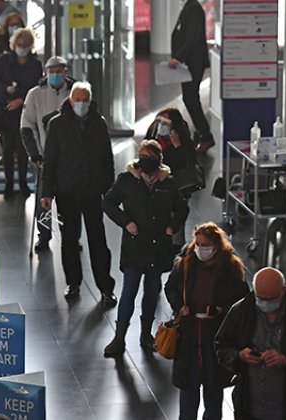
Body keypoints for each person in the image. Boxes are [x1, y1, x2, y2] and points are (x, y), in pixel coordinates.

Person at [102, 140, 189, 357]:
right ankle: (119, 337)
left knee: (152, 291)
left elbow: (182, 208)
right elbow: (108, 203)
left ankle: (146, 335)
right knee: (129, 290)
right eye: (141, 156)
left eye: (149, 158)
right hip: (135, 246)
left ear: (159, 160)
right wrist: (125, 222)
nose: (144, 161)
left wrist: (172, 227)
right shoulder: (127, 180)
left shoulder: (167, 183)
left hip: (158, 247)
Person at [215, 267, 286, 420]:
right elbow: (222, 346)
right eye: (260, 298)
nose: (265, 304)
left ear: (283, 290)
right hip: (250, 406)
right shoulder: (241, 312)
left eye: (270, 299)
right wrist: (239, 356)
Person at [40, 82, 117, 307]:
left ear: (90, 101)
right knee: (69, 240)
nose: (81, 104)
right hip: (67, 193)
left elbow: (107, 158)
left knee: (98, 241)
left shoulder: (98, 123)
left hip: (93, 192)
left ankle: (106, 287)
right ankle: (73, 282)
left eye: (85, 100)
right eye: (77, 100)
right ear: (70, 100)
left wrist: (108, 187)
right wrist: (47, 192)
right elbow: (50, 161)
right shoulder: (57, 124)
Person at [164, 222, 249, 420]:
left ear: (216, 246)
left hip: (216, 338)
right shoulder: (184, 264)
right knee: (188, 394)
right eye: (198, 244)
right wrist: (179, 306)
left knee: (213, 392)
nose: (201, 249)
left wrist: (221, 310)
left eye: (205, 245)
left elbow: (243, 299)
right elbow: (171, 288)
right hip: (189, 335)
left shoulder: (230, 268)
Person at [20, 56, 75, 251]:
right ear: (46, 73)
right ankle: (44, 236)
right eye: (52, 72)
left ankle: (72, 236)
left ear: (66, 72)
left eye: (59, 71)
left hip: (71, 161)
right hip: (46, 158)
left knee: (71, 202)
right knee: (43, 201)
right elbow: (27, 126)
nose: (55, 75)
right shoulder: (35, 94)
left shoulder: (76, 93)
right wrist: (34, 154)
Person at [0, 27, 42, 196]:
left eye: (25, 45)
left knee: (23, 147)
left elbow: (37, 87)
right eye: (19, 44)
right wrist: (4, 89)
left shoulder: (35, 64)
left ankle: (24, 182)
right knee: (8, 148)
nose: (22, 48)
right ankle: (9, 183)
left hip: (24, 110)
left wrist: (21, 99)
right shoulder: (5, 60)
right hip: (6, 109)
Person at [144, 107, 198, 250]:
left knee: (175, 222)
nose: (162, 126)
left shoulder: (184, 141)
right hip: (154, 189)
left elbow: (186, 164)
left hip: (177, 189)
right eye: (160, 121)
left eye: (166, 123)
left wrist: (177, 146)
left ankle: (176, 245)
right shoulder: (153, 138)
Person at [170, 0, 214, 154]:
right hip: (188, 63)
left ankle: (206, 135)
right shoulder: (189, 7)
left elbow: (192, 39)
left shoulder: (193, 9)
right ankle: (200, 133)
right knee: (190, 98)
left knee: (190, 98)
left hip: (193, 63)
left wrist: (178, 58)